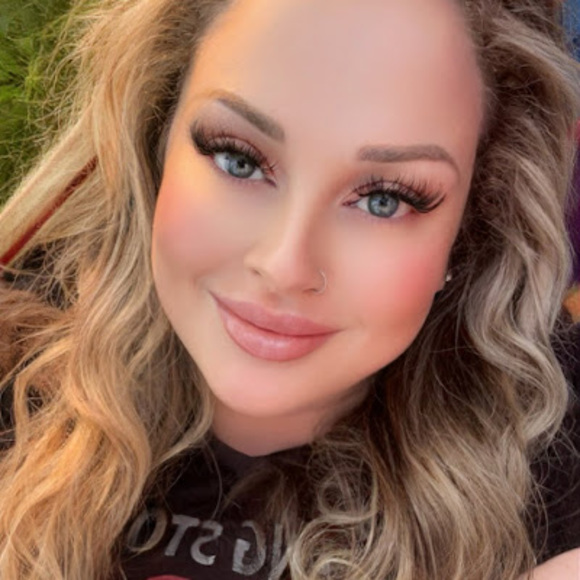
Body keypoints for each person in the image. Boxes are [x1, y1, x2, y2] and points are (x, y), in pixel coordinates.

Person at [0, 0, 578, 578]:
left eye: (384, 200)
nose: (284, 266)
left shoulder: (549, 443)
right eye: (239, 160)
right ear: (156, 142)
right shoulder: (17, 356)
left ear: (472, 225)